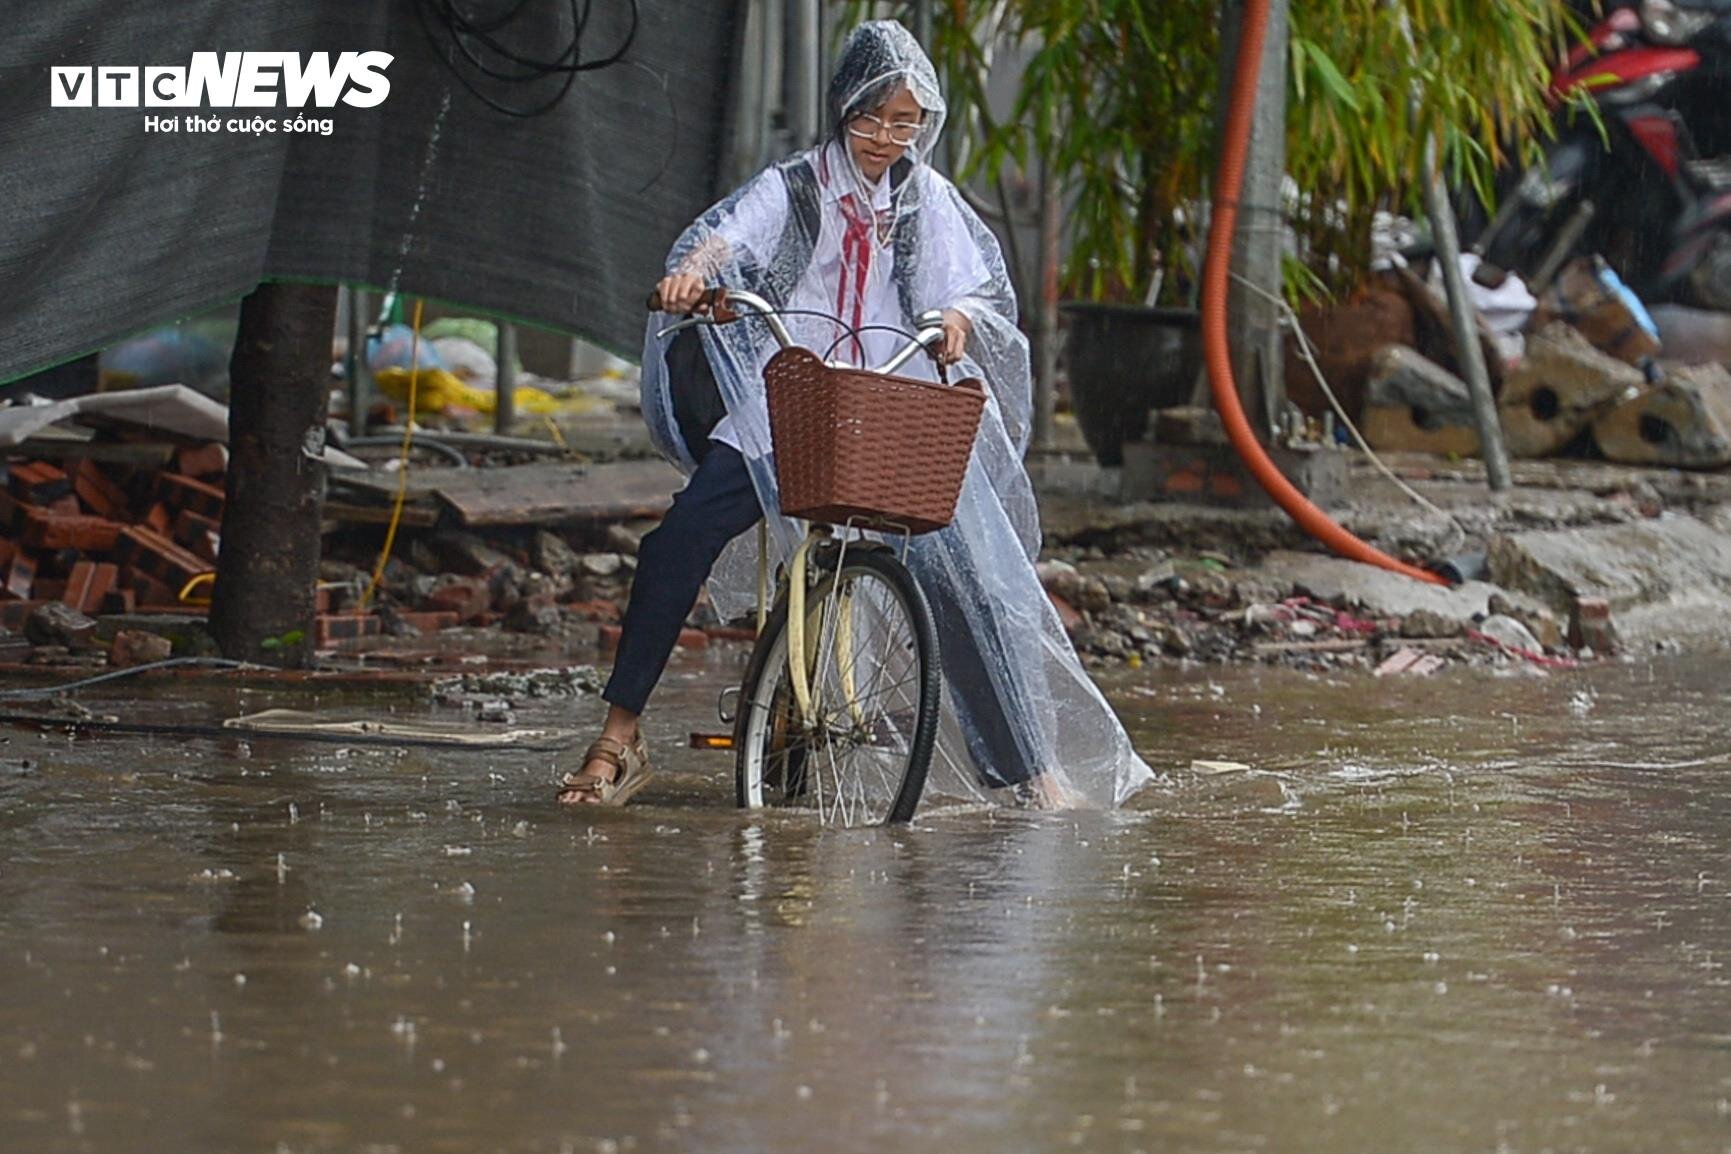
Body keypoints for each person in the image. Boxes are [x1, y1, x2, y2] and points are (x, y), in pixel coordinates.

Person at [557, 20, 1152, 809]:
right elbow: (721, 243)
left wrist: (959, 320)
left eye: (903, 122)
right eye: (872, 118)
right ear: (844, 109)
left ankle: (1029, 772)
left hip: (886, 407)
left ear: (922, 125)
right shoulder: (793, 185)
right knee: (680, 538)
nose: (884, 138)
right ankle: (619, 735)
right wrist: (692, 277)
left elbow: (970, 288)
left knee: (960, 578)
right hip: (787, 406)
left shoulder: (925, 200)